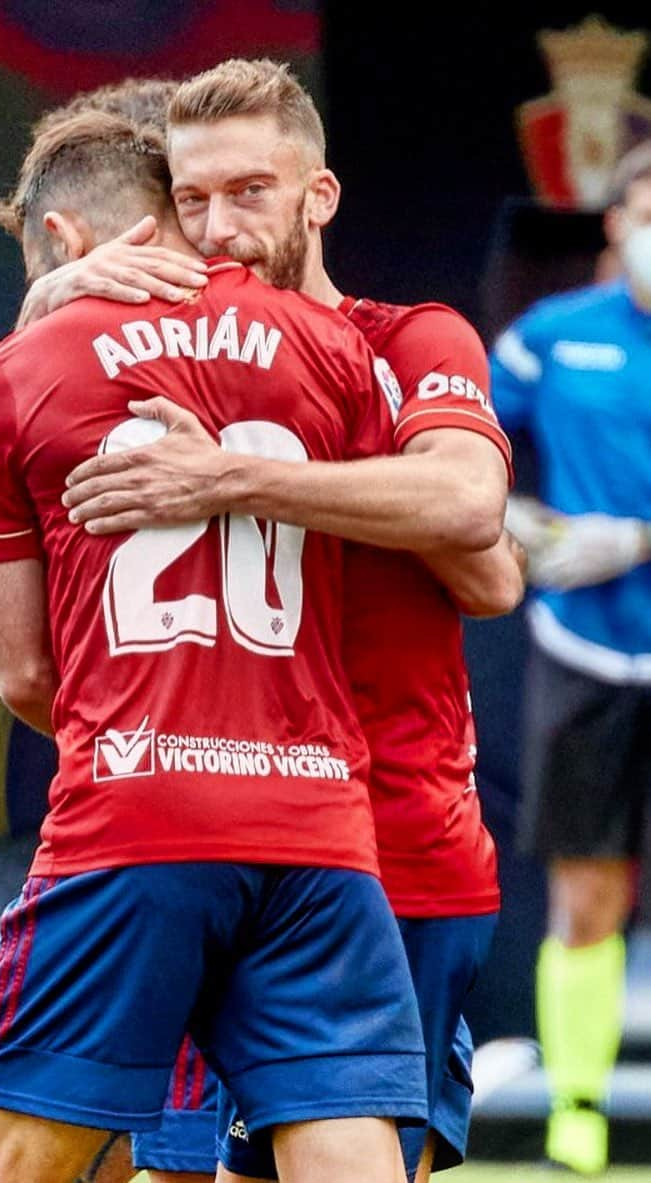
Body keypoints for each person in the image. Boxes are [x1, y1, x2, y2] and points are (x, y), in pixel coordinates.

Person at [0, 63, 521, 1182]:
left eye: (248, 193)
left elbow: (481, 552)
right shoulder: (304, 366)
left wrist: (222, 475)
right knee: (180, 1161)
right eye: (194, 198)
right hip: (310, 835)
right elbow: (175, 614)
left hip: (380, 840)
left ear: (319, 195)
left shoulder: (392, 345)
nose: (217, 227)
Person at [0, 107, 433, 1183]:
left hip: (133, 820)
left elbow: (27, 670)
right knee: (342, 1152)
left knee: (7, 1163)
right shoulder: (330, 346)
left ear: (67, 242)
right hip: (317, 823)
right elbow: (458, 541)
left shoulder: (22, 368)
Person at [488, 139, 651, 1176]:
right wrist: (516, 521)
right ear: (617, 219)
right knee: (586, 890)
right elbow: (463, 457)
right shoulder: (547, 338)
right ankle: (576, 1114)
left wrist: (638, 538)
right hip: (583, 648)